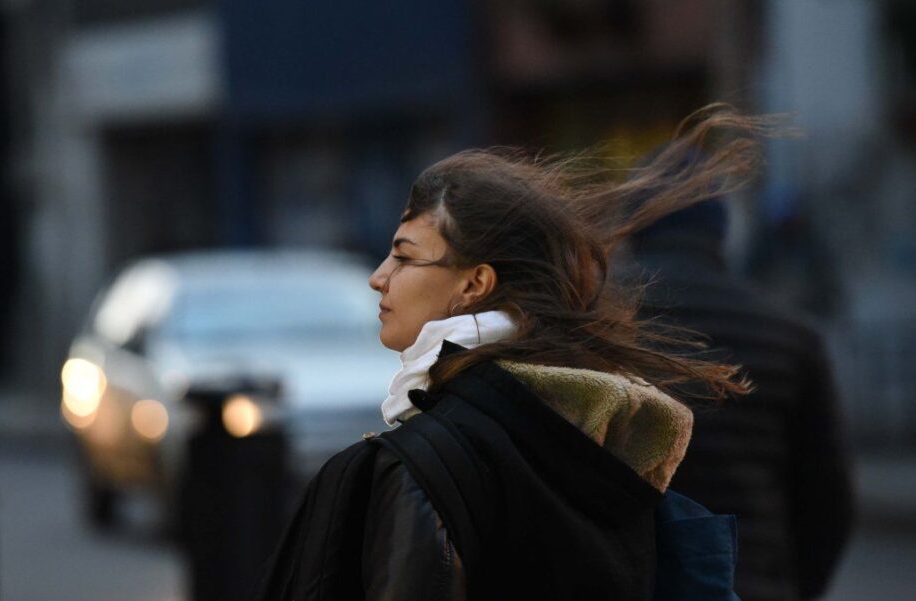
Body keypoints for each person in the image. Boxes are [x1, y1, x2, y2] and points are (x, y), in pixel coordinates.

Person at [256, 105, 772, 601]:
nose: (378, 277)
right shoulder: (588, 438)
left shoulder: (429, 460)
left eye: (403, 256)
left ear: (475, 283)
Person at [630, 199, 854, 601]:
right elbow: (829, 502)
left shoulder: (598, 320)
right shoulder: (789, 334)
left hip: (637, 584)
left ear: (635, 226)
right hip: (755, 581)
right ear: (719, 232)